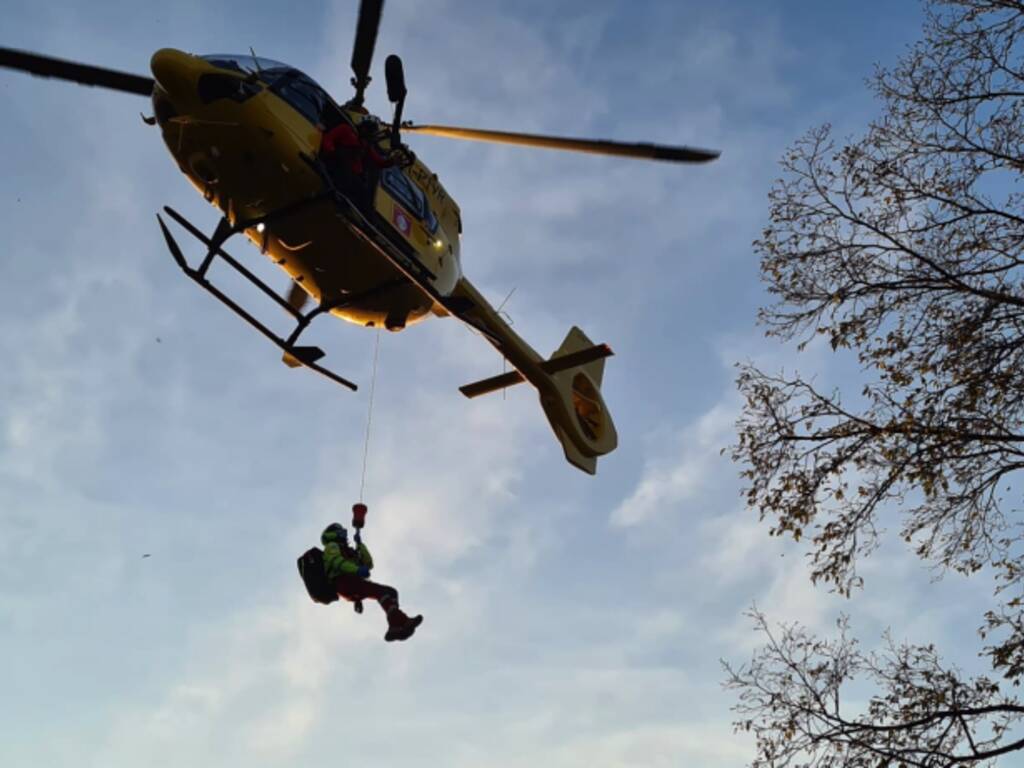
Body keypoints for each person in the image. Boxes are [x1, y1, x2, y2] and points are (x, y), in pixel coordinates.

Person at [320, 519, 423, 642]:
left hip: (353, 583)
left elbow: (368, 564)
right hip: (343, 582)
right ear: (333, 534)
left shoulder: (348, 551)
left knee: (391, 592)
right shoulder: (332, 546)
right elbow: (337, 562)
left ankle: (395, 626)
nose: (344, 533)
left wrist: (360, 545)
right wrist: (356, 570)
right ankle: (401, 622)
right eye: (340, 531)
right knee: (381, 592)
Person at [319, 118, 397, 210]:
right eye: (370, 132)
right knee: (348, 179)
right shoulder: (346, 130)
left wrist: (392, 161)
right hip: (338, 166)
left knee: (364, 194)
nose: (370, 136)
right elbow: (328, 139)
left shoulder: (365, 144)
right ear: (364, 129)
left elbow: (379, 161)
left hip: (353, 176)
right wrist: (332, 153)